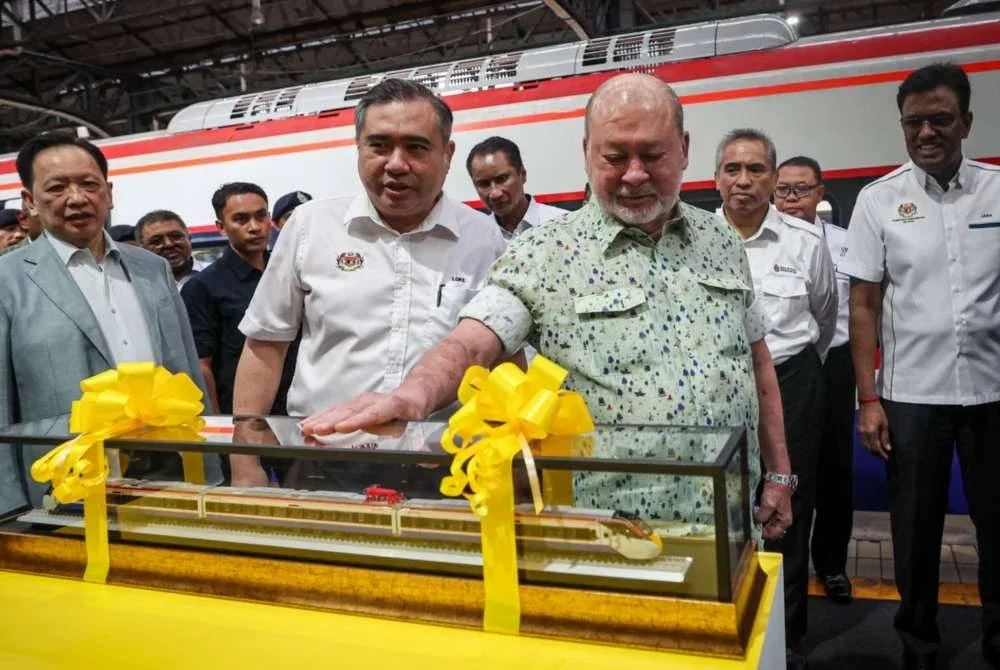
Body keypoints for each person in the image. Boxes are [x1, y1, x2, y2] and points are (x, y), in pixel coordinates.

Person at [300, 73, 795, 543]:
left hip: (731, 520)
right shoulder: (543, 254)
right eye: (615, 157)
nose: (634, 174)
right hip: (608, 531)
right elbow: (473, 340)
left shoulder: (722, 241)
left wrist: (778, 474)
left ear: (684, 150)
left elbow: (755, 362)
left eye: (653, 155)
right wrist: (412, 396)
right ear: (586, 155)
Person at [229, 78, 507, 488]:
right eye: (379, 145)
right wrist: (245, 461)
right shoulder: (310, 228)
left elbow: (502, 360)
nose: (396, 163)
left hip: (450, 469)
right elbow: (266, 344)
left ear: (447, 155)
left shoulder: (485, 241)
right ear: (358, 148)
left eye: (416, 147)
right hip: (323, 461)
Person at [842, 63, 1000, 670]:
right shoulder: (880, 202)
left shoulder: (995, 190)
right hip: (910, 396)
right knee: (913, 532)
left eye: (940, 119)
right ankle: (919, 645)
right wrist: (869, 398)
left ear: (966, 121)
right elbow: (864, 305)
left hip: (991, 392)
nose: (926, 132)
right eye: (914, 123)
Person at [0, 134, 219, 514]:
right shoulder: (8, 279)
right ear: (30, 202)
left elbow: (187, 375)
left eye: (89, 184)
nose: (77, 198)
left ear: (109, 192)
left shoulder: (153, 269)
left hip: (168, 479)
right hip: (64, 489)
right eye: (57, 187)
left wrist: (211, 473)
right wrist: (9, 508)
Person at [716, 129, 837, 668]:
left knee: (789, 505)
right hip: (720, 386)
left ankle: (785, 634)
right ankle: (726, 620)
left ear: (773, 176)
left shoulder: (805, 242)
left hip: (792, 381)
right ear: (716, 176)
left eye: (756, 169)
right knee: (726, 503)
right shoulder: (692, 238)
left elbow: (826, 316)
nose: (744, 181)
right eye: (733, 169)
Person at [775, 155, 855, 605]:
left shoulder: (846, 244)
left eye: (801, 189)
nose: (791, 198)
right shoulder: (772, 244)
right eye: (783, 189)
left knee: (834, 468)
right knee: (787, 471)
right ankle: (788, 566)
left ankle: (832, 565)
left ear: (820, 192)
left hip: (835, 363)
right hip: (788, 368)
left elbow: (838, 312)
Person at [181, 182, 296, 416]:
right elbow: (203, 366)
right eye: (241, 219)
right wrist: (219, 429)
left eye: (261, 216)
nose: (254, 227)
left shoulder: (290, 271)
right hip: (246, 416)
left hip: (302, 408)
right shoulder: (203, 287)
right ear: (221, 227)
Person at [466, 136, 566, 238]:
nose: (495, 194)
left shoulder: (564, 225)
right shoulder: (475, 237)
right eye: (484, 184)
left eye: (502, 179)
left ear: (522, 174)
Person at [136, 210, 207, 289]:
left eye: (176, 236)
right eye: (156, 241)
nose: (169, 244)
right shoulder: (136, 286)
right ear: (141, 249)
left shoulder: (218, 274)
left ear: (189, 238)